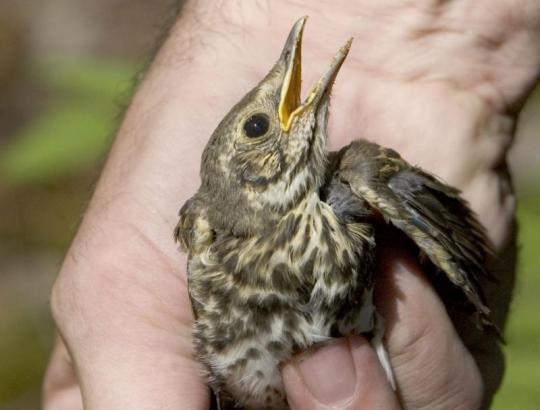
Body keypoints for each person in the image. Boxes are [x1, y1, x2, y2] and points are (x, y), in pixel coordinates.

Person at [42, 1, 540, 409]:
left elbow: (455, 252)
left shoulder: (353, 185)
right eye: (258, 128)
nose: (287, 73)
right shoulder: (205, 231)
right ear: (246, 175)